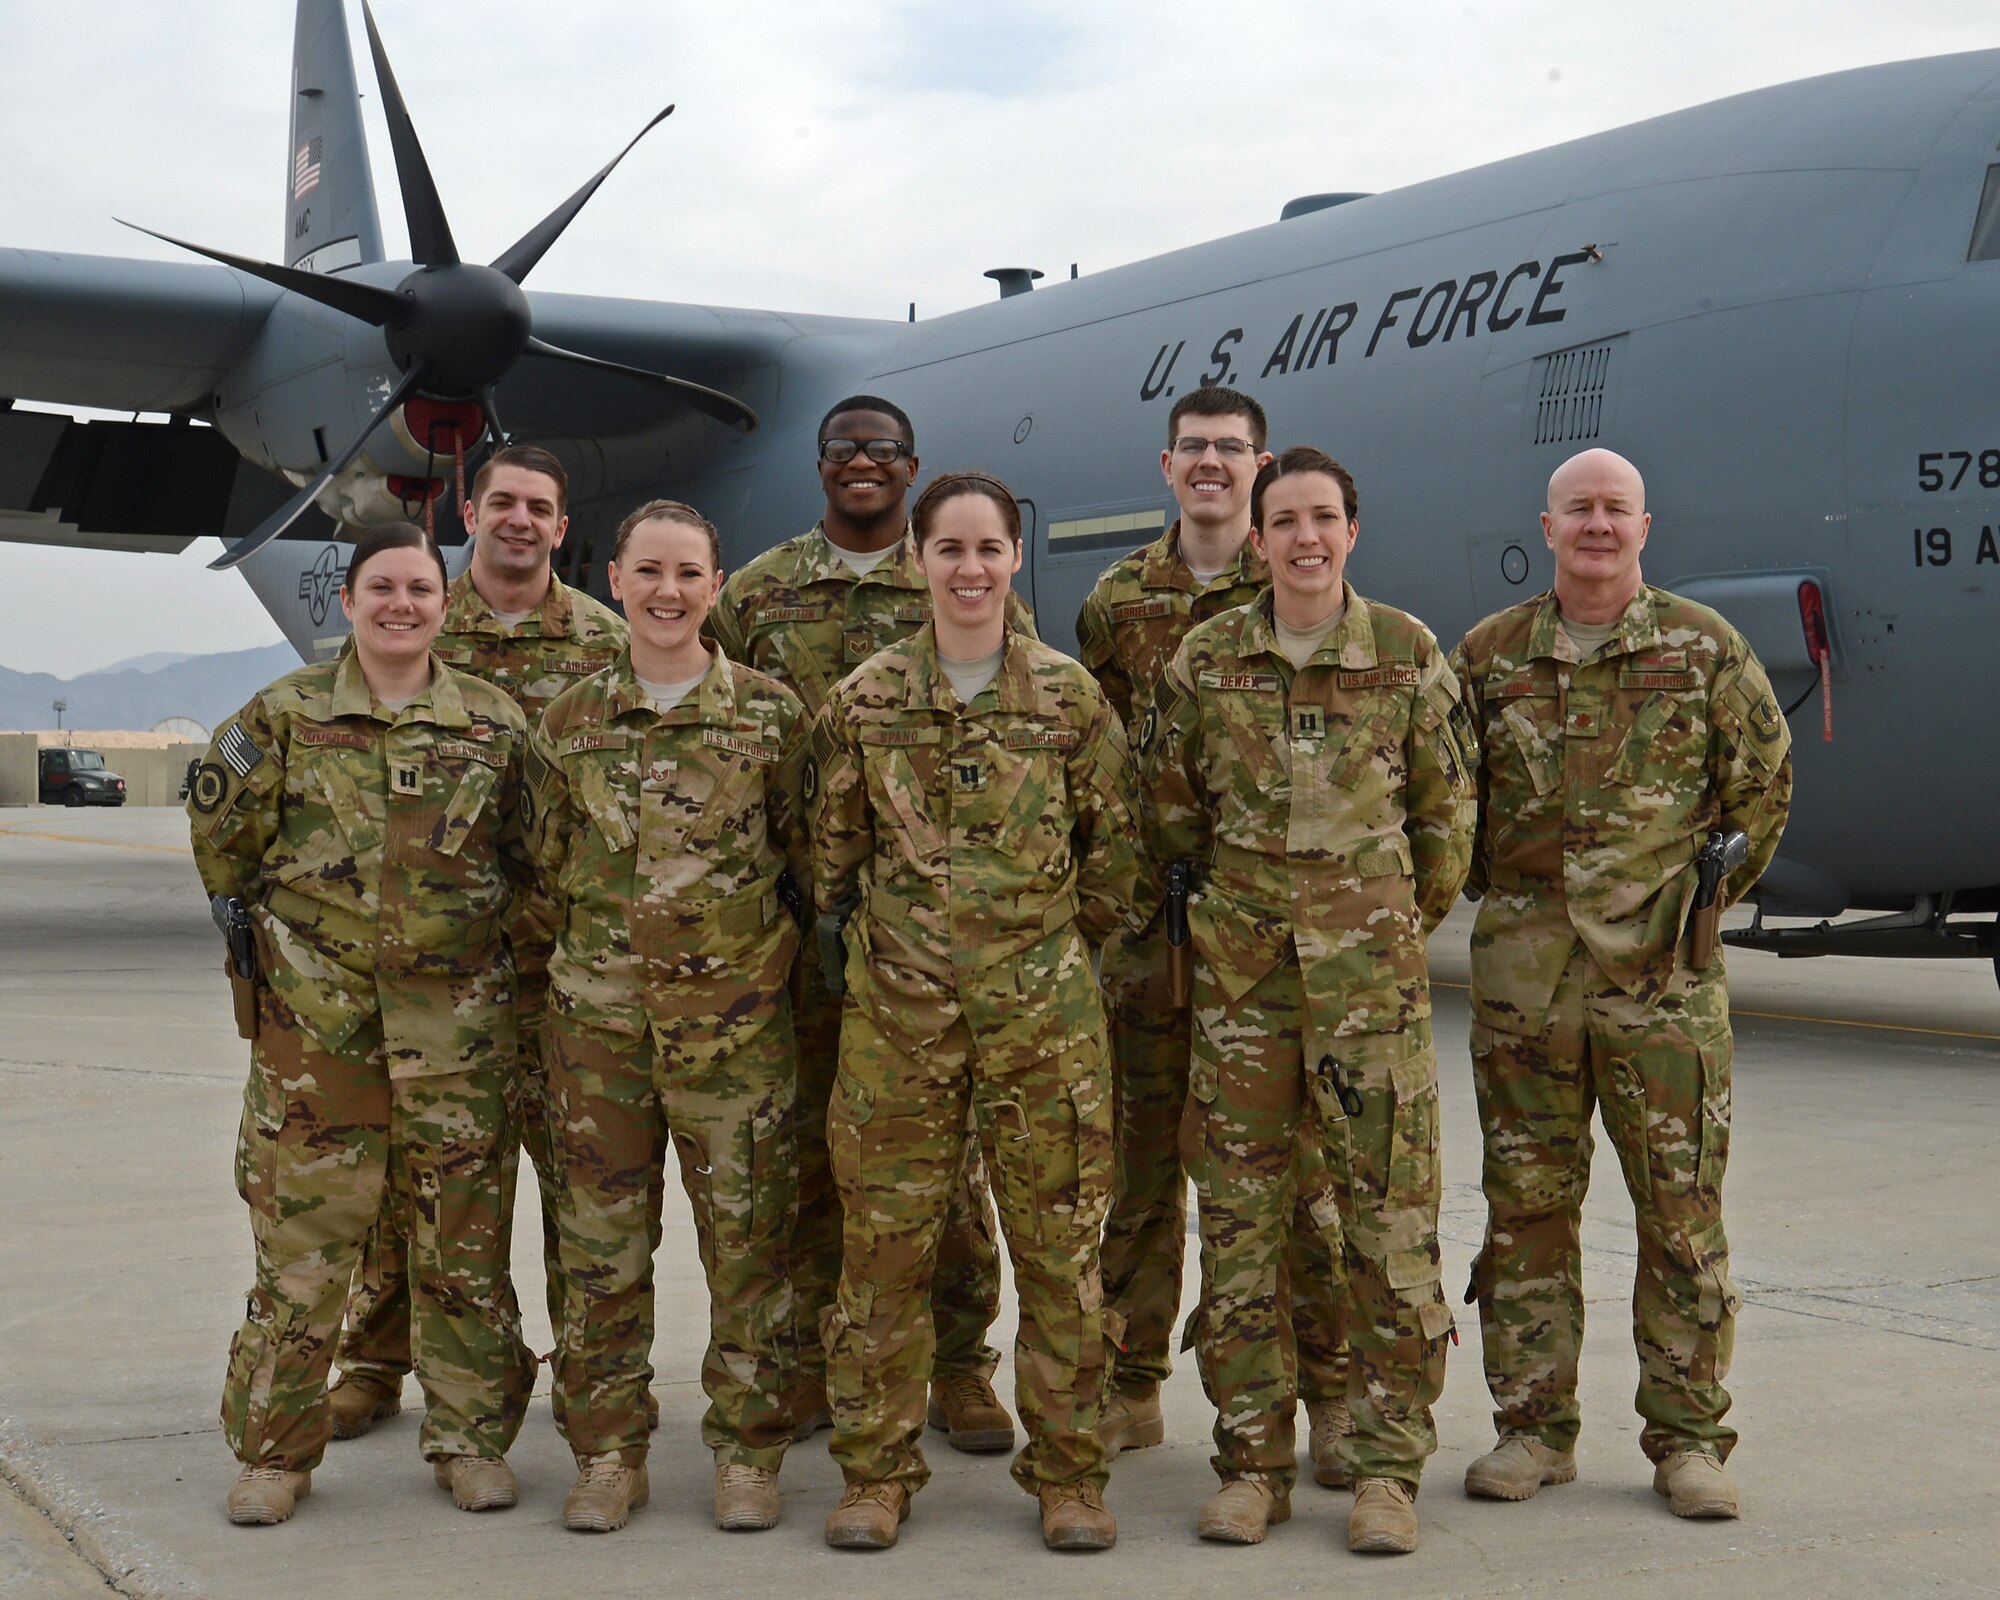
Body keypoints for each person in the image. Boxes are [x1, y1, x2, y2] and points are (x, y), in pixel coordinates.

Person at [1142, 447, 1475, 1553]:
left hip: (1368, 994)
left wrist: (1370, 927)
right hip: (1240, 993)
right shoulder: (1205, 659)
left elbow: (1444, 821)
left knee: (1388, 1229)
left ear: (1351, 529)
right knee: (1238, 1229)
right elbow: (1170, 815)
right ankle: (1250, 1463)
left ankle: (1385, 1470)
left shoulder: (1404, 653)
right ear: (1255, 535)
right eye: (1281, 520)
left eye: (1321, 517)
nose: (1302, 538)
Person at [1450, 447, 1791, 1520]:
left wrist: (1689, 911)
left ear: (1645, 528)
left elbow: (1762, 788)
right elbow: (1444, 798)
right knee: (1524, 1216)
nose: (1596, 525)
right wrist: (1502, 902)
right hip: (1524, 994)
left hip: (1661, 993)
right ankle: (1530, 1431)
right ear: (1544, 528)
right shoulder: (1490, 655)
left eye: (1615, 509)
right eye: (1576, 509)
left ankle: (1687, 1440)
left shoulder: (1699, 647)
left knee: (1680, 1217)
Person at [809, 471, 1142, 1552]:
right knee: (884, 1249)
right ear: (915, 561)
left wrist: (1033, 954)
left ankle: (1069, 1474)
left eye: (987, 548)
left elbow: (1116, 861)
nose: (967, 569)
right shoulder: (861, 702)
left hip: (1041, 1019)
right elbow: (831, 860)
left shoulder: (1066, 698)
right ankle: (872, 1470)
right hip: (898, 1023)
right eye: (946, 549)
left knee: (1059, 1250)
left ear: (1011, 558)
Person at [188, 522, 538, 1526]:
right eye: (381, 587)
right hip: (320, 1047)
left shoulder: (492, 723)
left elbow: (531, 857)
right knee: (303, 1253)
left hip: (457, 1041)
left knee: (462, 1250)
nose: (400, 605)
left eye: (419, 589)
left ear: (445, 603)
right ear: (348, 601)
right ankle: (272, 1455)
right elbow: (224, 839)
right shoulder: (286, 715)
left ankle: (470, 1443)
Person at [711, 397, 1027, 1454]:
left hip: (919, 935)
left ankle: (958, 1364)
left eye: (881, 450)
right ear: (818, 465)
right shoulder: (755, 595)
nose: (861, 462)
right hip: (790, 922)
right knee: (806, 1149)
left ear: (911, 468)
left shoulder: (952, 578)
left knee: (948, 1160)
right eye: (843, 447)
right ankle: (814, 1361)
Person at [1077, 386, 1353, 1491]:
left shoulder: (1296, 579)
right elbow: (1091, 760)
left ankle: (1323, 1393)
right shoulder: (1115, 600)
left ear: (1259, 463)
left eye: (1228, 450)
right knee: (1138, 1166)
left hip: (1266, 932)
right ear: (1164, 463)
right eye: (1191, 448)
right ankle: (1130, 1383)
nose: (1208, 465)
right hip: (1147, 927)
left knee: (1289, 1174)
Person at [328, 444, 628, 1440]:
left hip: (563, 967)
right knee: (413, 1176)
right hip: (434, 964)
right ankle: (375, 1360)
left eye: (537, 506)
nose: (517, 520)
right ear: (468, 507)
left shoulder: (602, 642)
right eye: (499, 501)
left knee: (583, 1182)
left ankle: (588, 1375)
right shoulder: (416, 619)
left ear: (561, 523)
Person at [522, 500, 806, 1534]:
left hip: (734, 1039)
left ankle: (746, 1451)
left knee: (748, 1248)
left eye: (688, 573)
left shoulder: (771, 718)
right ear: (614, 579)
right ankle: (607, 1453)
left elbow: (804, 863)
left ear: (716, 586)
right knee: (599, 1250)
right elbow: (542, 868)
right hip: (599, 1039)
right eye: (649, 571)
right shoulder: (567, 723)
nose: (667, 591)